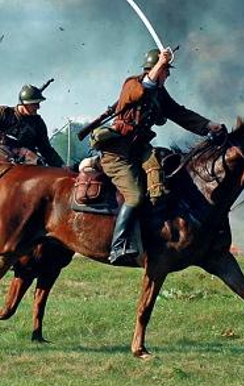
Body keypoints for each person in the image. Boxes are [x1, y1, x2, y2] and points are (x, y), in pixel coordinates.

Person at [93, 47, 224, 264]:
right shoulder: (132, 84)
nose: (168, 74)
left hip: (140, 150)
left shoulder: (160, 94)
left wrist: (208, 125)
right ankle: (118, 245)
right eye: (166, 70)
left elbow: (180, 113)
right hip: (118, 154)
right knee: (135, 196)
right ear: (155, 69)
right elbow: (143, 90)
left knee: (161, 185)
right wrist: (161, 62)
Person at [0, 83, 65, 167]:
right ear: (24, 103)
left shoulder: (38, 123)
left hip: (26, 165)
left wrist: (62, 166)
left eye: (38, 103)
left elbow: (46, 149)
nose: (38, 107)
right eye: (34, 104)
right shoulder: (3, 113)